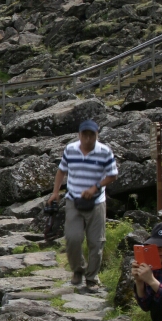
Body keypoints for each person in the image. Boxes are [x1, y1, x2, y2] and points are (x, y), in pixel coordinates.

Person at [48, 118, 118, 291]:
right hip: (73, 199)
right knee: (73, 238)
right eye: (84, 135)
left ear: (97, 135)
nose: (88, 139)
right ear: (79, 135)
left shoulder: (105, 152)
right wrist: (55, 192)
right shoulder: (70, 150)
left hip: (96, 202)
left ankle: (92, 278)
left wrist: (96, 187)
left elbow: (112, 174)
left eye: (91, 135)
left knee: (96, 241)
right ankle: (78, 269)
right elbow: (62, 170)